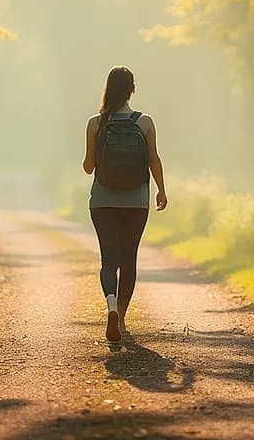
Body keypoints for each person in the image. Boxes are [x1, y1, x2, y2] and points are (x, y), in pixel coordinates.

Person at [82, 65, 167, 343]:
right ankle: (121, 317)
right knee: (129, 258)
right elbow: (153, 159)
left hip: (103, 202)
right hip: (136, 202)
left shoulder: (95, 123)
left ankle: (110, 306)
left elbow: (88, 167)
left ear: (107, 88)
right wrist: (161, 191)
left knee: (109, 260)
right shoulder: (145, 122)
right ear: (132, 89)